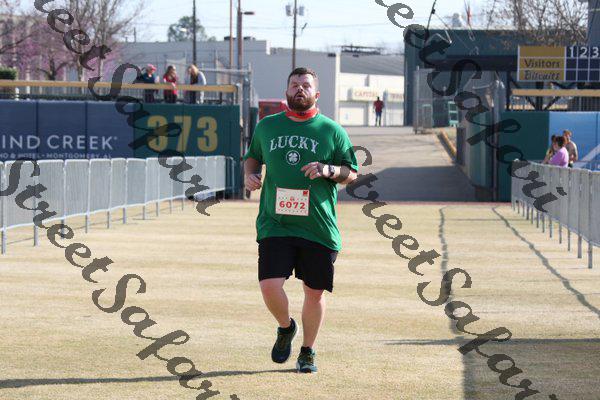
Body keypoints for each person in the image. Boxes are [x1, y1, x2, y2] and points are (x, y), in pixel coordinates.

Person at [243, 67, 359, 374]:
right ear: (286, 91)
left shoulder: (332, 131)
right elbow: (253, 156)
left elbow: (352, 173)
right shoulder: (267, 127)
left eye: (305, 85)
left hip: (317, 226)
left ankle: (307, 351)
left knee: (314, 292)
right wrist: (249, 174)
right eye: (294, 84)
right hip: (275, 222)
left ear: (316, 94)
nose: (299, 89)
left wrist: (327, 170)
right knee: (269, 286)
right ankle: (286, 327)